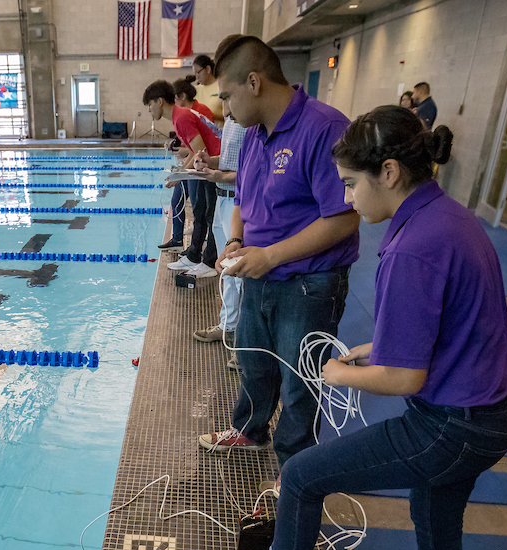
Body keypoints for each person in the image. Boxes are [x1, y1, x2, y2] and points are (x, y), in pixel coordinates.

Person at [215, 106, 507, 550]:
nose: (348, 199)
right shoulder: (448, 218)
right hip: (496, 410)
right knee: (437, 521)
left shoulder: (410, 247)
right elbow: (453, 323)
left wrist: (336, 372)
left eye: (352, 185)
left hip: (451, 424)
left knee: (305, 475)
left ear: (388, 172)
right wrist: (374, 348)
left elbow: (407, 377)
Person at [199, 35, 359, 464]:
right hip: (260, 275)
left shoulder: (325, 129)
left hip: (309, 283)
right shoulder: (253, 134)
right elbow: (243, 200)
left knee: (299, 381)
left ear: (254, 83)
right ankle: (249, 431)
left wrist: (269, 255)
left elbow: (345, 217)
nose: (225, 109)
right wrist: (236, 241)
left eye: (227, 96)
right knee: (254, 363)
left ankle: (295, 465)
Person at [144, 79, 222, 279]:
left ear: (160, 101)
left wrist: (179, 175)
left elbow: (200, 149)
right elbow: (193, 151)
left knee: (209, 215)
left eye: (150, 105)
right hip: (208, 165)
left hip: (217, 165)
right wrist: (179, 172)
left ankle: (210, 262)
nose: (149, 110)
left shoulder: (181, 117)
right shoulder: (179, 116)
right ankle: (195, 256)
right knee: (200, 211)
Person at [191, 106, 246, 370]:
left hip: (239, 203)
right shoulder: (232, 120)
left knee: (240, 273)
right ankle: (228, 327)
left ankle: (244, 344)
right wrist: (208, 162)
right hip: (224, 200)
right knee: (227, 272)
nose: (223, 107)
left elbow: (253, 175)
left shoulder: (251, 123)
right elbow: (229, 162)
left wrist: (219, 175)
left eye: (227, 97)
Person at [192, 54, 224, 127]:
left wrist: (211, 115)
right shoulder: (195, 90)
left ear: (208, 69)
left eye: (198, 72)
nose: (197, 77)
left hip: (219, 133)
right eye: (195, 74)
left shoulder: (221, 87)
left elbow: (231, 116)